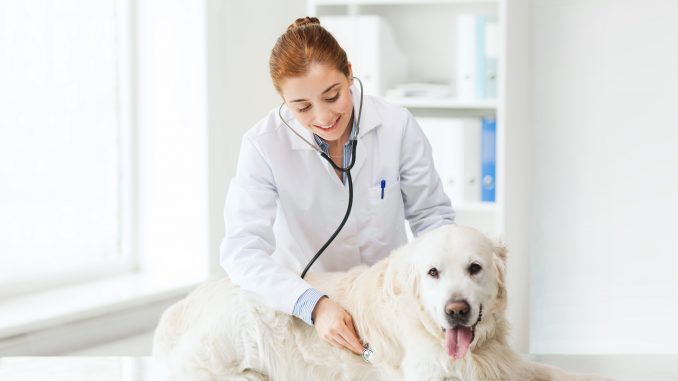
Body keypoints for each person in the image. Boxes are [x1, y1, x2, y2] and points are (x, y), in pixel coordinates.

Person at [220, 16, 455, 357]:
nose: (323, 116)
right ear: (282, 99)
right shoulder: (262, 145)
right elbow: (242, 250)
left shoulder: (396, 125)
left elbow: (433, 219)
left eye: (333, 95)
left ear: (348, 71)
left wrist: (444, 290)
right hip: (305, 312)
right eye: (301, 107)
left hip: (387, 304)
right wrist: (311, 304)